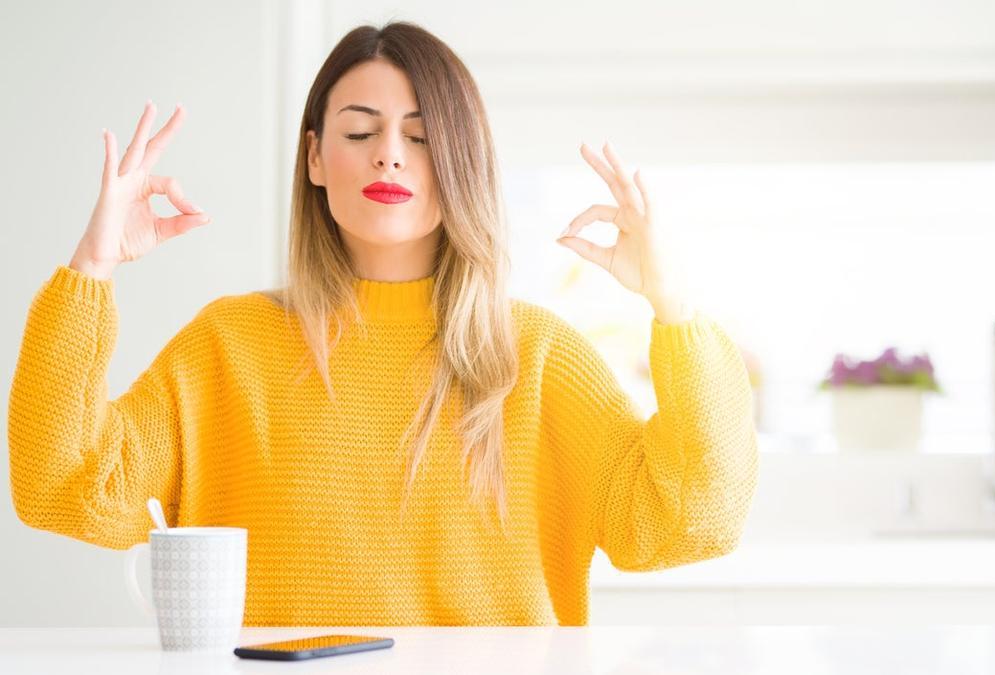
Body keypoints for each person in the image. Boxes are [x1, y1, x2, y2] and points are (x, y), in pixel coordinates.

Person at [8, 21, 758, 626]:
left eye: (423, 136)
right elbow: (61, 485)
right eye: (360, 131)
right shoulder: (227, 346)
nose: (390, 156)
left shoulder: (535, 355)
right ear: (315, 157)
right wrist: (93, 266)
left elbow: (694, 519)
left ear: (461, 158)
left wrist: (674, 305)